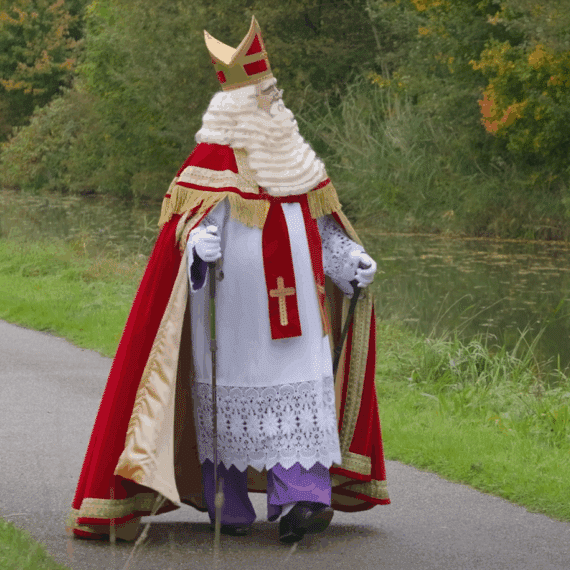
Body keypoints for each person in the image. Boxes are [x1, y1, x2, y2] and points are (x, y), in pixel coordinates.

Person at [68, 16, 388, 544]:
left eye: (273, 93)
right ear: (237, 106)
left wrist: (350, 259)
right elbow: (183, 234)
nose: (274, 103)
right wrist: (196, 246)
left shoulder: (297, 162)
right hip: (231, 314)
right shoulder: (210, 165)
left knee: (300, 403)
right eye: (264, 95)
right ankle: (226, 503)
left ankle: (302, 501)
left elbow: (322, 232)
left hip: (301, 319)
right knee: (226, 405)